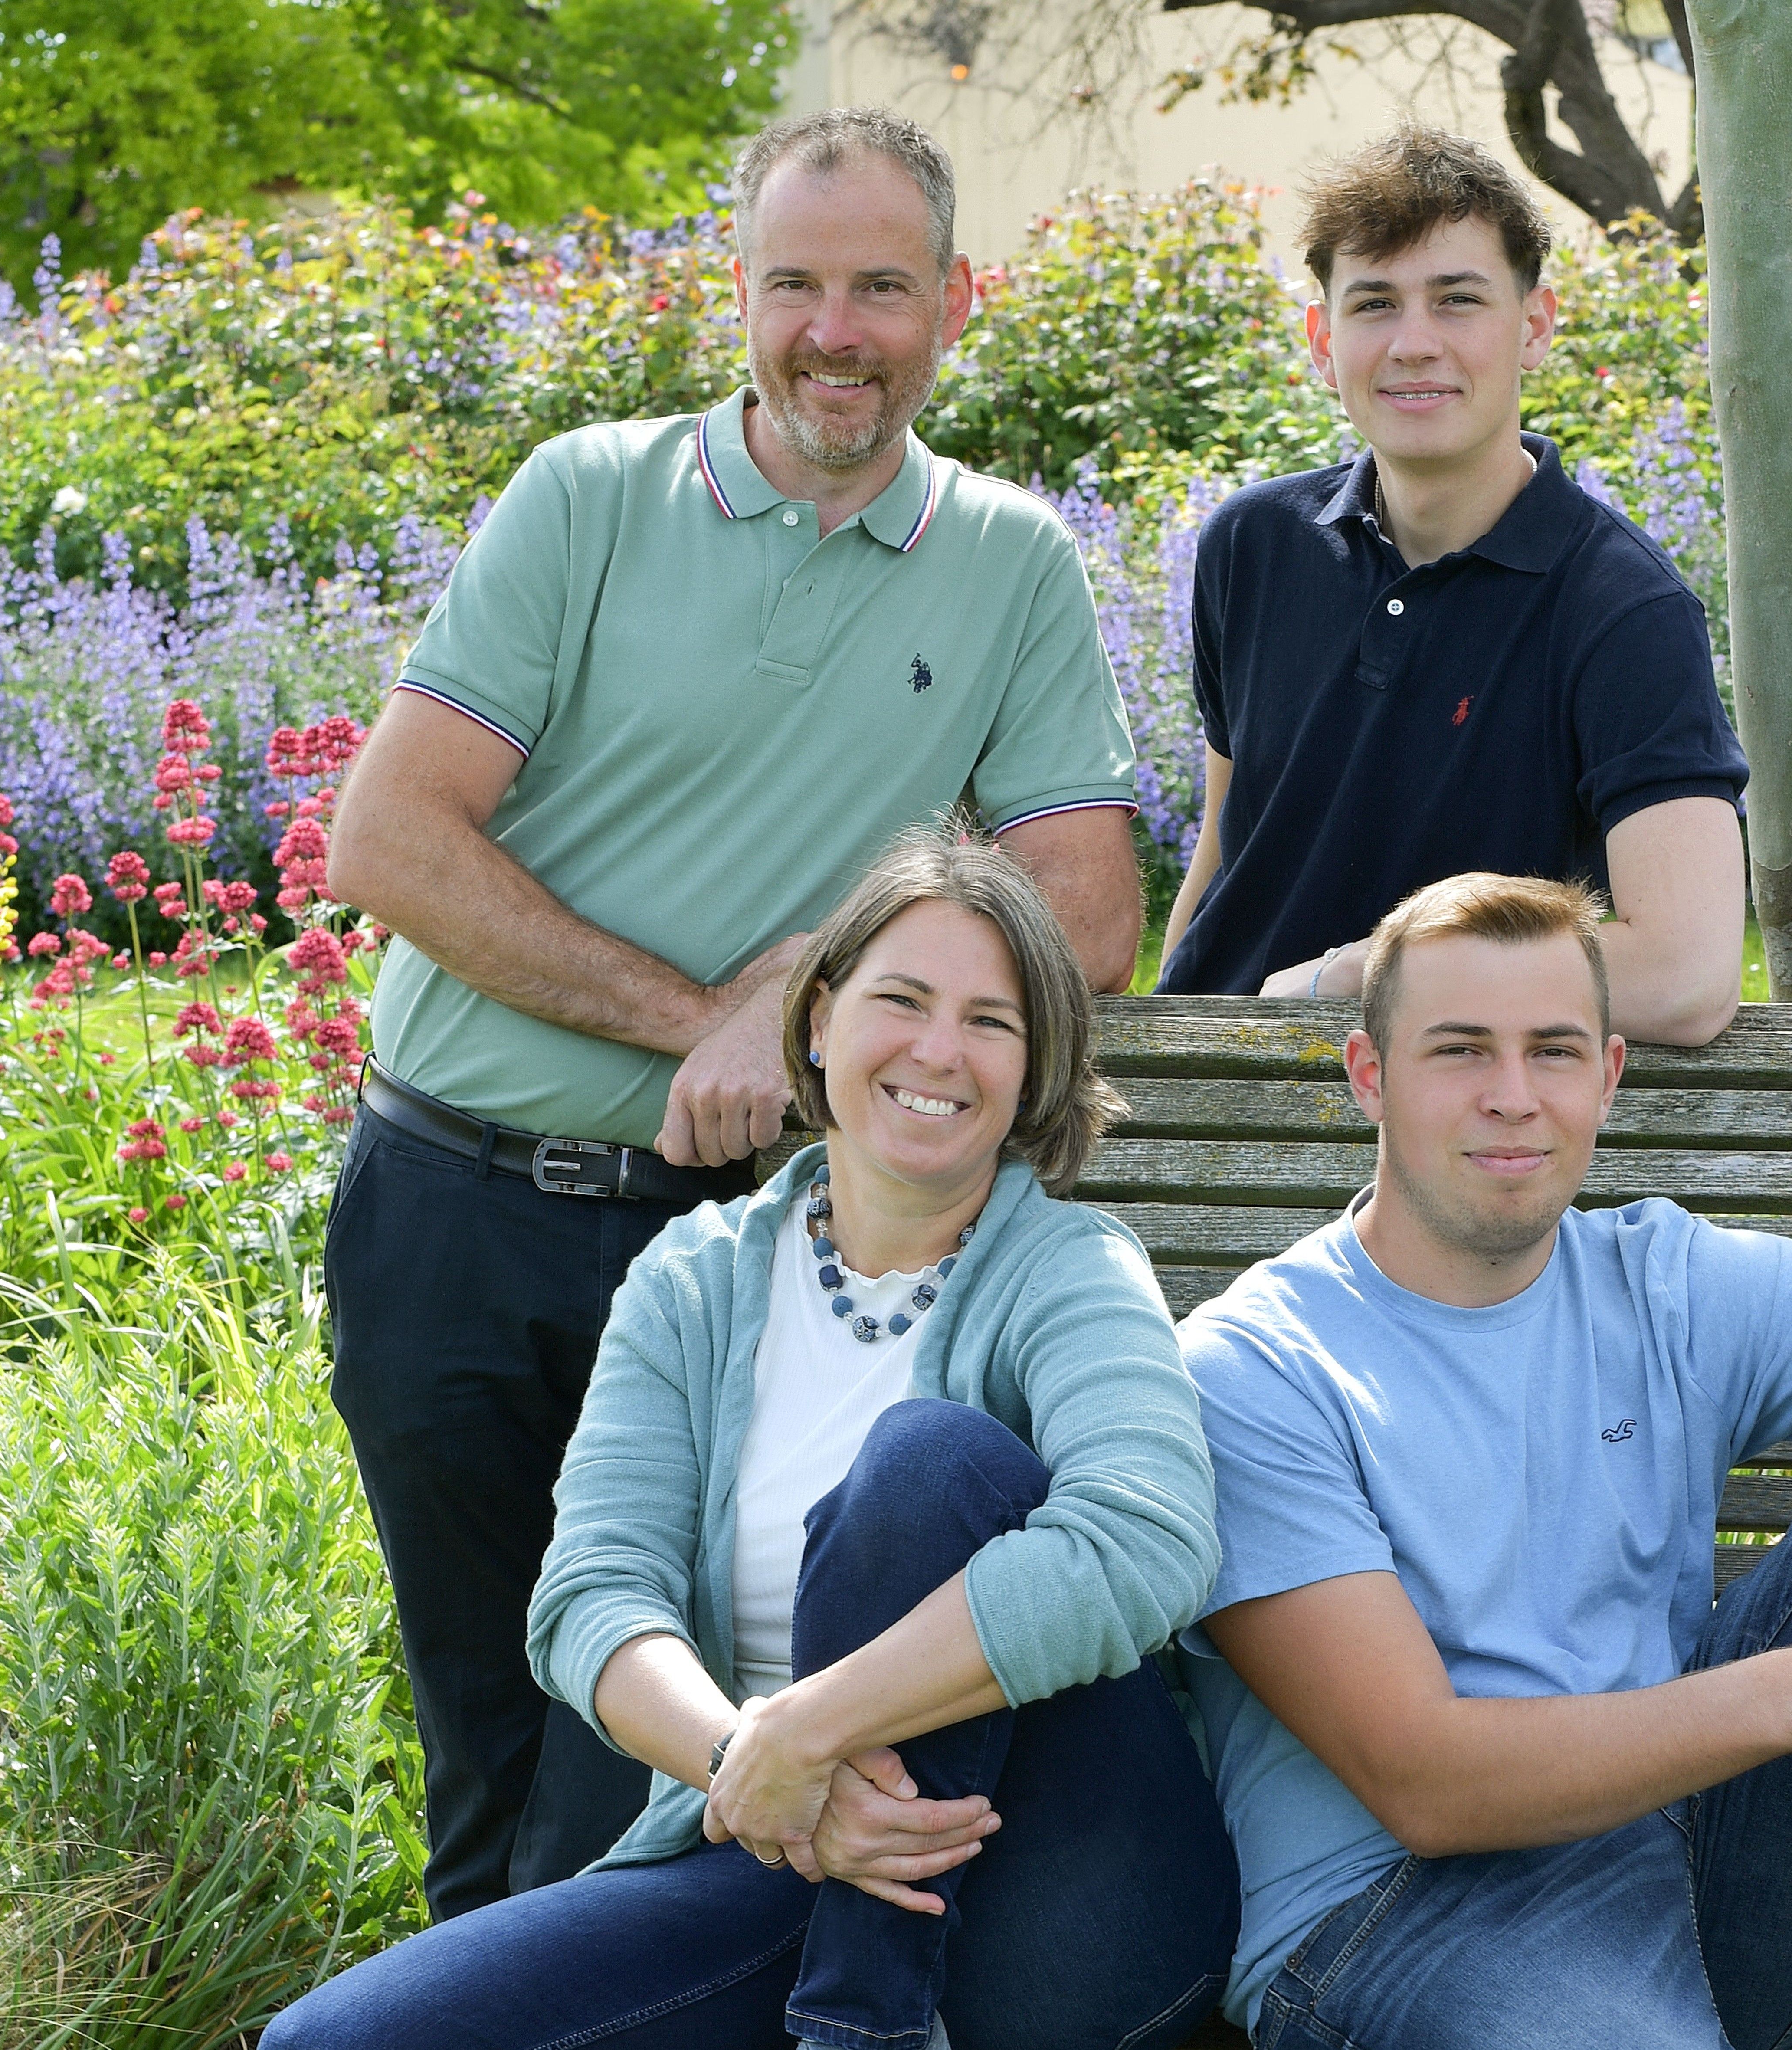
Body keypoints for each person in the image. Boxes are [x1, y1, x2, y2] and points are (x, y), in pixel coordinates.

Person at [319, 105, 1146, 1920]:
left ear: (951, 303)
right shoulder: (589, 495)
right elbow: (387, 834)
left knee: (650, 1758)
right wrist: (688, 1011)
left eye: (879, 287)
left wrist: (781, 1009)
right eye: (795, 283)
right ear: (740, 292)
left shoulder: (1008, 562)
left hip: (731, 1242)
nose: (832, 330)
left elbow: (1085, 914)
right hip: (450, 1211)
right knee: (482, 1736)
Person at [269, 823, 1238, 2050]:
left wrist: (808, 1725)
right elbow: (592, 1599)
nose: (940, 1049)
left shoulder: (1071, 1270)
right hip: (788, 1852)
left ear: (1036, 1065)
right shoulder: (696, 1280)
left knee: (925, 1466)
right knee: (337, 2042)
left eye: (992, 1020)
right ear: (820, 1018)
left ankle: (859, 2029)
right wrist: (751, 1758)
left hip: (1073, 1889)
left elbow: (1145, 1540)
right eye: (903, 999)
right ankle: (859, 1999)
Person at [1178, 871, 1792, 2050]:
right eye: (1459, 1051)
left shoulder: (1659, 1279)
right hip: (1404, 1912)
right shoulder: (1256, 1365)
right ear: (1369, 1075)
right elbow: (1423, 1781)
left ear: (1610, 1075)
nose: (1512, 1096)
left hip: (1684, 1838)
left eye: (1552, 1051)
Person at [1155, 124, 1747, 1046]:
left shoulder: (1621, 609)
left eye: (1457, 300)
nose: (1414, 343)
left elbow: (1685, 974)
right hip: (1213, 1076)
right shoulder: (1251, 544)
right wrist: (1174, 1018)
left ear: (1536, 325)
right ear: (1323, 339)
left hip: (1446, 1113)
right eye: (1375, 304)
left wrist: (1354, 976)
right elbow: (1231, 841)